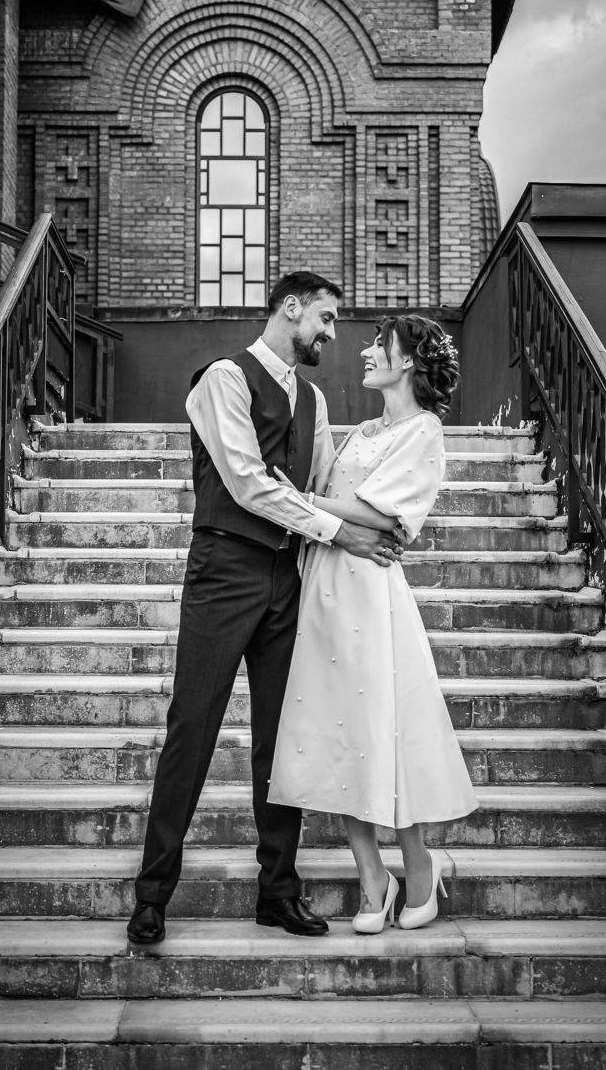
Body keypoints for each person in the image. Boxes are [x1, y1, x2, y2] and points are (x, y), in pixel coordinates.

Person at [127, 271, 402, 947]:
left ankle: (277, 891)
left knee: (283, 742)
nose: (331, 334)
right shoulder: (223, 378)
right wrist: (341, 532)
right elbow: (247, 482)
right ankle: (152, 895)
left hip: (290, 576)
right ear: (290, 308)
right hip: (224, 571)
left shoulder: (313, 399)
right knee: (192, 728)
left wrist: (387, 499)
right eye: (325, 318)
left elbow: (322, 483)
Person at [268, 314, 475, 933]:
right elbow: (343, 504)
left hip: (373, 594)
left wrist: (301, 501)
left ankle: (419, 866)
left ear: (407, 360)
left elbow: (384, 516)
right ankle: (371, 878)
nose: (365, 352)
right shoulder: (358, 431)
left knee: (387, 730)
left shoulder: (424, 430)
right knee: (339, 733)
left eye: (378, 345)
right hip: (324, 587)